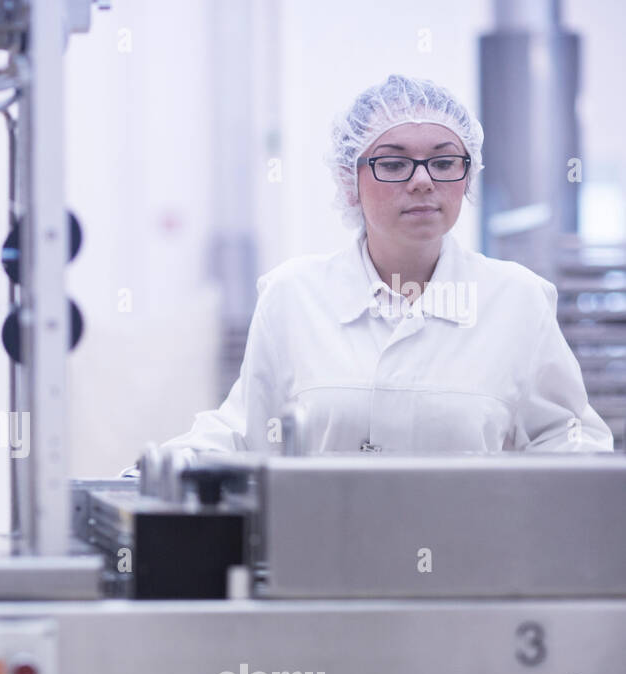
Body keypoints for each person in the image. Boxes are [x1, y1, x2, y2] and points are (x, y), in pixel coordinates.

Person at [151, 74, 613, 465]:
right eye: (393, 163)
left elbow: (571, 440)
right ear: (349, 181)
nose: (422, 180)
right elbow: (245, 434)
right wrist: (152, 476)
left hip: (472, 566)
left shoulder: (516, 299)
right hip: (325, 562)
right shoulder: (294, 296)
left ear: (467, 177)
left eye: (444, 161)